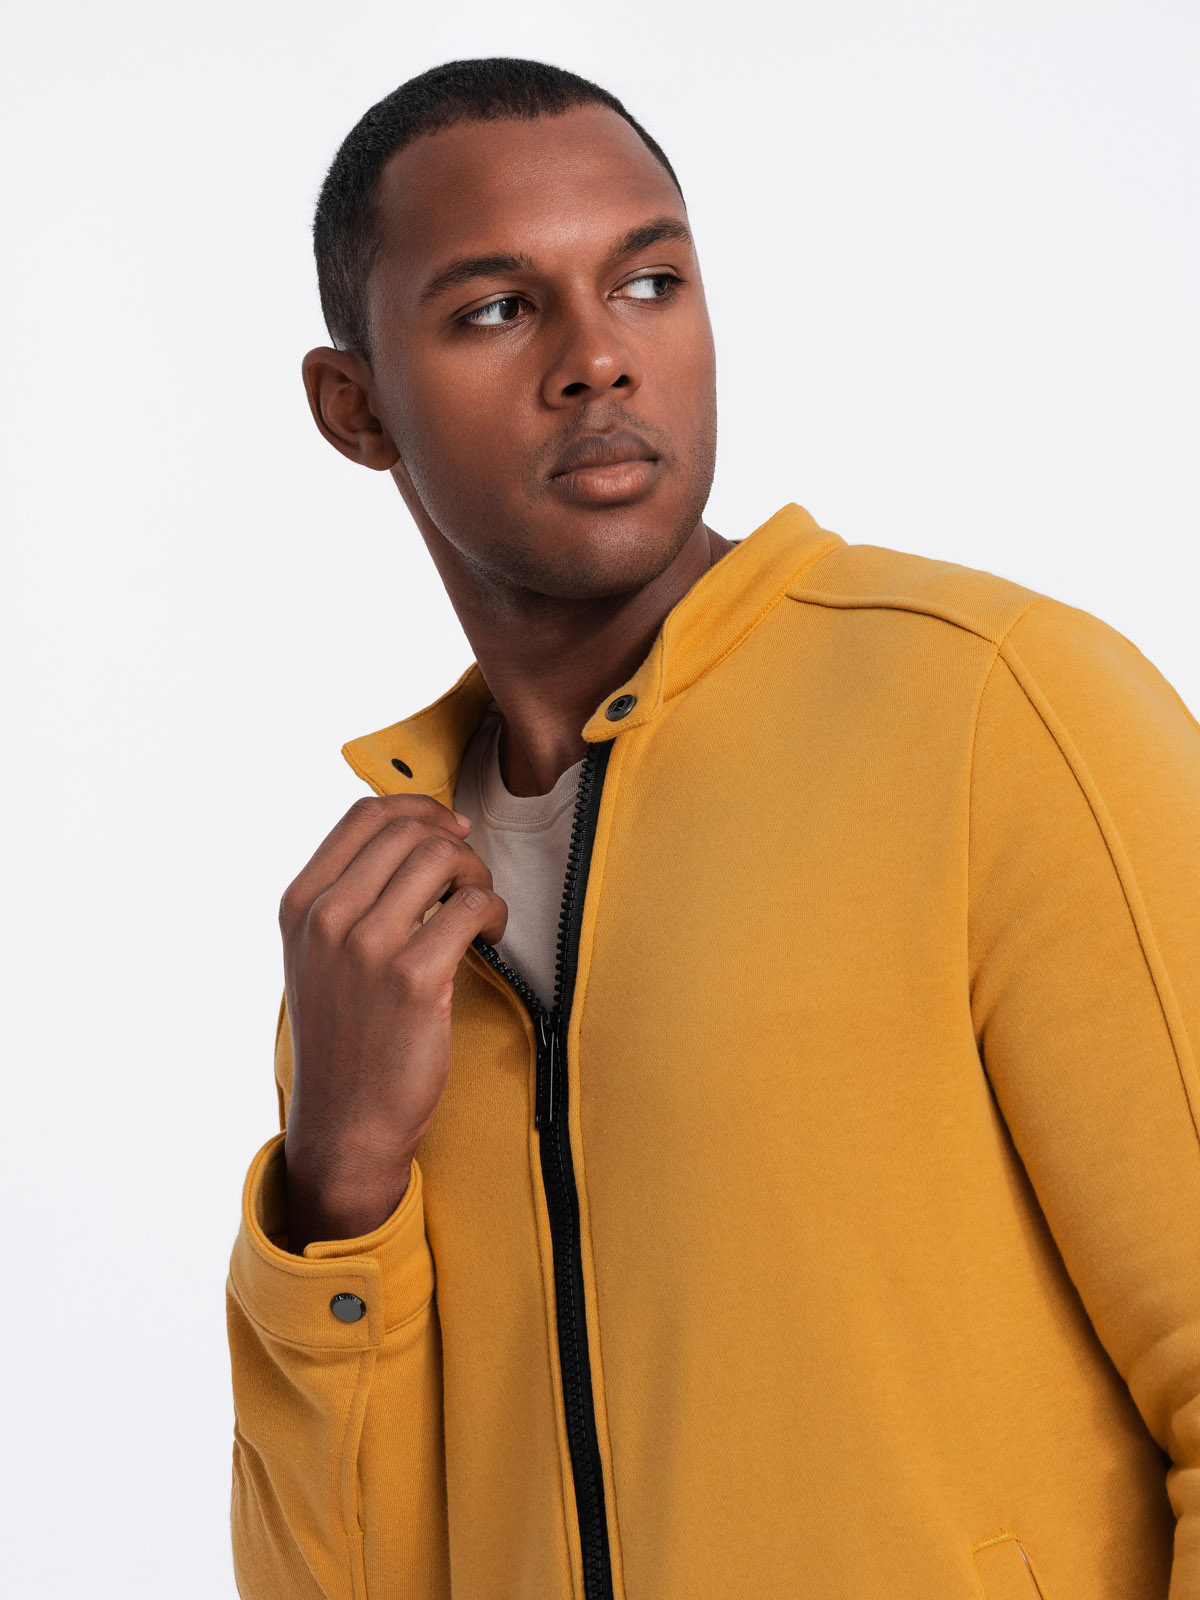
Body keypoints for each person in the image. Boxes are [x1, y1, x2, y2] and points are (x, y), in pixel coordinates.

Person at [224, 56, 1200, 1600]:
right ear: (357, 410)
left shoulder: (993, 713)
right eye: (497, 309)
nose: (598, 360)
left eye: (649, 283)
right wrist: (334, 1183)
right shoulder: (382, 939)